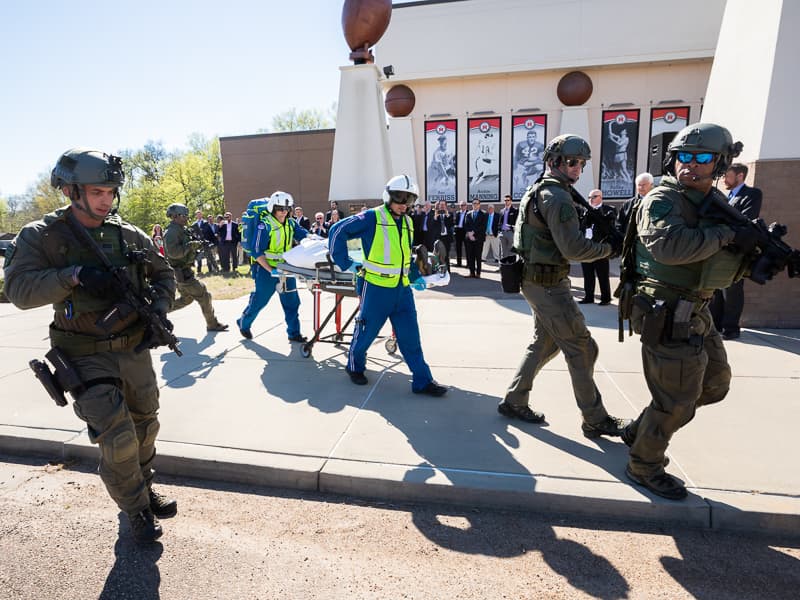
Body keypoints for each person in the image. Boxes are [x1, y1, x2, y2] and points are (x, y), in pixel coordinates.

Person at [3, 148, 178, 544]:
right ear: (71, 190)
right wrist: (73, 276)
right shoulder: (42, 235)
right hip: (82, 351)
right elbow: (18, 290)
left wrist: (160, 311)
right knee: (116, 438)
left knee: (145, 426)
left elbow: (163, 273)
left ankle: (143, 486)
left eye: (112, 191)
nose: (107, 200)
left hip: (133, 347)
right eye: (98, 191)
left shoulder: (126, 232)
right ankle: (135, 509)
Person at [620, 122, 755, 500]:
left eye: (702, 158)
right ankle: (643, 465)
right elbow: (671, 248)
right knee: (677, 401)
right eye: (683, 156)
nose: (690, 165)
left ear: (721, 164)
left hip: (697, 308)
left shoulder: (712, 201)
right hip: (666, 313)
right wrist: (727, 235)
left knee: (714, 384)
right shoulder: (662, 199)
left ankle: (642, 429)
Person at [500, 134, 629, 440]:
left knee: (545, 343)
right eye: (572, 162)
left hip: (538, 280)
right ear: (553, 162)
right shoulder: (556, 196)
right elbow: (572, 248)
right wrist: (608, 249)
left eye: (581, 164)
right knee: (583, 349)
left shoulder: (544, 189)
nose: (577, 169)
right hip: (547, 285)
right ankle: (595, 418)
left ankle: (515, 400)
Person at [328, 175, 447, 397]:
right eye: (400, 198)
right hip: (375, 287)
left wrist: (414, 276)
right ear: (388, 195)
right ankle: (354, 366)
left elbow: (404, 254)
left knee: (411, 336)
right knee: (365, 332)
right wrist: (346, 263)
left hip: (402, 290)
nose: (404, 204)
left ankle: (423, 380)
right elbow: (337, 232)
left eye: (409, 200)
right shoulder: (372, 217)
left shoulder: (409, 222)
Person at [236, 191, 309, 342]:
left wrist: (318, 240)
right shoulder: (265, 225)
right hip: (265, 269)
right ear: (273, 208)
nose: (284, 212)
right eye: (280, 208)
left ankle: (294, 333)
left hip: (286, 269)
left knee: (292, 302)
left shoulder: (291, 223)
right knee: (260, 300)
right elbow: (256, 252)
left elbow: (305, 236)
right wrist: (271, 270)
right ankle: (244, 323)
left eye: (287, 209)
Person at [709, 163, 763, 340]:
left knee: (732, 291)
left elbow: (745, 219)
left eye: (728, 175)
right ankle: (715, 325)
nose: (724, 179)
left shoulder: (752, 194)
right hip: (721, 250)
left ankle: (731, 328)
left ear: (740, 176)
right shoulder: (727, 196)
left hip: (737, 251)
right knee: (717, 289)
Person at [163, 204, 229, 332]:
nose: (187, 218)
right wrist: (190, 246)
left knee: (186, 300)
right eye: (184, 215)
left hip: (184, 271)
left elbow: (187, 246)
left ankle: (158, 311)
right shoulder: (172, 232)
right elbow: (173, 253)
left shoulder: (181, 229)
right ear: (176, 216)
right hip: (181, 272)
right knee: (204, 295)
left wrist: (197, 246)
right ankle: (212, 324)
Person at [578, 190, 616, 305]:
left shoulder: (608, 210)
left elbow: (610, 227)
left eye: (594, 197)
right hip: (586, 247)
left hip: (600, 247)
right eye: (589, 197)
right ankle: (589, 296)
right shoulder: (584, 211)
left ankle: (606, 298)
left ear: (600, 197)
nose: (591, 199)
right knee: (588, 273)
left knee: (602, 274)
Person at [464, 197, 487, 278]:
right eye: (473, 203)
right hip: (469, 239)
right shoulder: (468, 214)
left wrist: (473, 232)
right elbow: (466, 225)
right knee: (470, 256)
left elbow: (482, 227)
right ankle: (471, 272)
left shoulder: (483, 214)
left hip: (478, 238)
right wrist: (470, 234)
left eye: (476, 203)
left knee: (478, 256)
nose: (475, 205)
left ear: (479, 205)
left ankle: (478, 273)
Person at [192, 210, 219, 274]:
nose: (198, 215)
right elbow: (192, 234)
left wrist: (213, 241)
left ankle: (211, 270)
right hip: (198, 243)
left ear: (201, 215)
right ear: (196, 216)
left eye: (200, 214)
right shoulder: (194, 224)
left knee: (209, 256)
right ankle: (199, 271)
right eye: (197, 214)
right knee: (199, 257)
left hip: (206, 242)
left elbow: (210, 233)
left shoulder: (205, 223)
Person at [433, 200, 454, 271]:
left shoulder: (449, 214)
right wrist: (435, 217)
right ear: (438, 206)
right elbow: (433, 225)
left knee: (446, 254)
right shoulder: (435, 214)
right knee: (438, 254)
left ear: (446, 206)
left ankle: (447, 270)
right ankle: (440, 269)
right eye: (440, 204)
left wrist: (447, 214)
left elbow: (452, 223)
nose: (442, 206)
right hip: (439, 237)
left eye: (443, 204)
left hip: (447, 238)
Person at [498, 194, 518, 259]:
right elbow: (499, 222)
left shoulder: (515, 210)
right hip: (502, 233)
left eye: (508, 200)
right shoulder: (502, 211)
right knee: (503, 252)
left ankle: (511, 267)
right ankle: (503, 268)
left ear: (511, 201)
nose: (506, 201)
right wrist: (499, 232)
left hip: (510, 233)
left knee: (511, 251)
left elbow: (517, 222)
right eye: (505, 200)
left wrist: (512, 227)